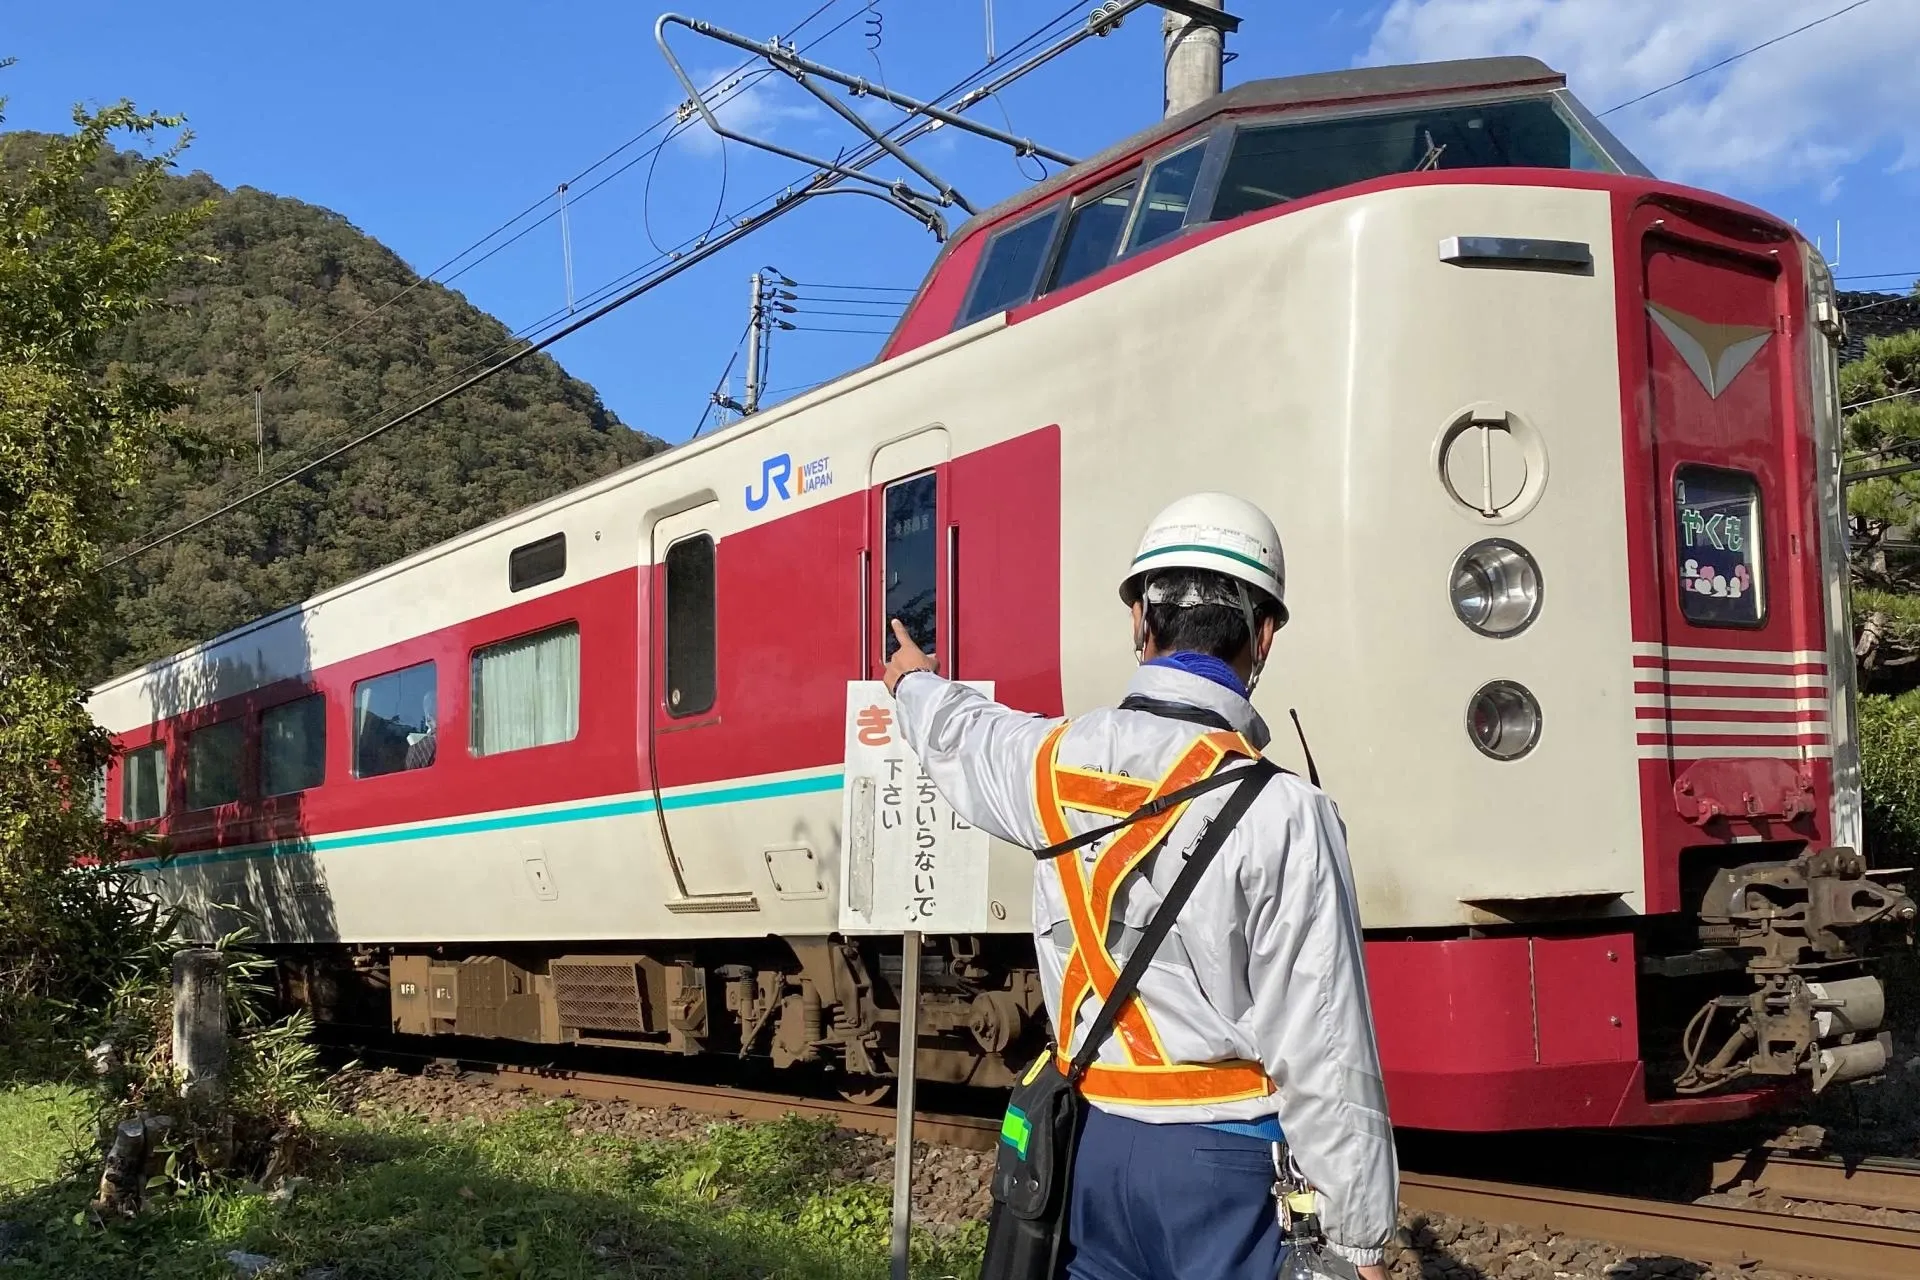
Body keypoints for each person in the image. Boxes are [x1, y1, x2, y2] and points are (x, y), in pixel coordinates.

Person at [882, 492, 1397, 1280]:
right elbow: (1326, 1045)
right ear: (1263, 635)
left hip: (1092, 1148)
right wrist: (1357, 1239)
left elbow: (964, 735)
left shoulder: (1049, 764)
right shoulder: (1288, 813)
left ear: (1139, 621)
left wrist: (913, 684)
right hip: (1224, 1165)